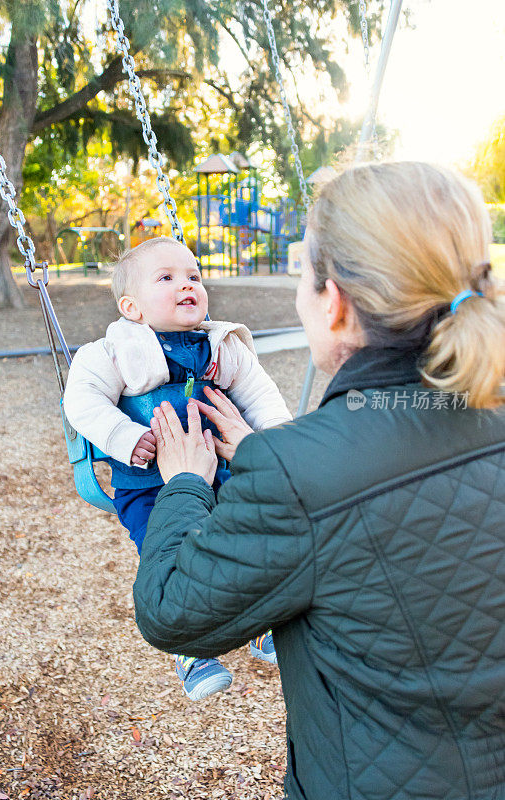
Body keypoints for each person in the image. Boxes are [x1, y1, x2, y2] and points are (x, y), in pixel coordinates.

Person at [132, 162, 505, 800]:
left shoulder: (298, 473)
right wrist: (273, 462)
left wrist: (187, 484)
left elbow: (170, 611)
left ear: (334, 303)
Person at [63, 236, 291, 701]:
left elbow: (262, 398)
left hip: (222, 473)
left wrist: (275, 446)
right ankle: (190, 650)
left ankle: (262, 622)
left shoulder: (222, 346)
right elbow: (81, 400)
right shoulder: (113, 351)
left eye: (193, 276)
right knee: (166, 551)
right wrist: (125, 438)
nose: (186, 285)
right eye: (166, 278)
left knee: (250, 537)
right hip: (149, 486)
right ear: (132, 307)